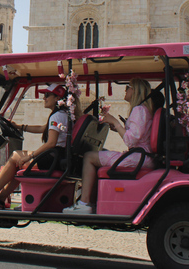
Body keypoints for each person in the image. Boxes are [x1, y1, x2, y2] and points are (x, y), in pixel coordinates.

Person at [64, 78, 154, 214]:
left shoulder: (139, 110)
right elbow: (135, 136)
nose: (125, 90)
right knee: (100, 153)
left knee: (89, 156)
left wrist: (116, 123)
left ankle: (85, 202)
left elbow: (131, 140)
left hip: (138, 157)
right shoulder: (143, 110)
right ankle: (91, 201)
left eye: (128, 87)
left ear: (135, 90)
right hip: (140, 155)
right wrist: (116, 127)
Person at [0, 82, 70, 209]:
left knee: (15, 156)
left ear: (57, 98)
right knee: (18, 165)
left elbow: (51, 143)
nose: (44, 98)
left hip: (53, 157)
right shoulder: (63, 115)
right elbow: (43, 128)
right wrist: (19, 127)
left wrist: (30, 157)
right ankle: (0, 199)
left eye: (47, 95)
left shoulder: (57, 116)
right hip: (57, 157)